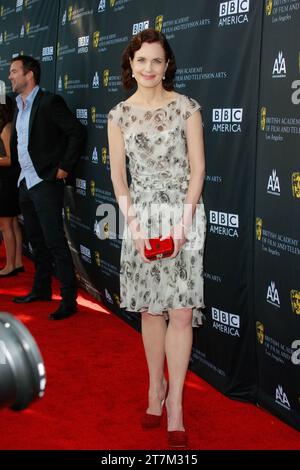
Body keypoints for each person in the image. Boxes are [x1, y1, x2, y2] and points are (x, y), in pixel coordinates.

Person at [107, 29, 206, 447]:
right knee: (151, 311)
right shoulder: (119, 115)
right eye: (141, 60)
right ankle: (155, 389)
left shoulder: (187, 109)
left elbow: (198, 169)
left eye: (156, 61)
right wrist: (132, 223)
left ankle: (178, 403)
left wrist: (183, 224)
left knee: (181, 313)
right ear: (131, 65)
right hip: (140, 219)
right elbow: (117, 175)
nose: (148, 68)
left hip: (183, 214)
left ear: (168, 66)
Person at [9, 55, 85, 320]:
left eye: (14, 71)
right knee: (36, 242)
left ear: (29, 75)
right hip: (25, 183)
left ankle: (68, 299)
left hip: (45, 182)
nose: (10, 77)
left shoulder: (50, 102)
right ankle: (41, 289)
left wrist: (64, 167)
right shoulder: (18, 106)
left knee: (54, 242)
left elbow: (76, 131)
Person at [0, 95, 23, 277]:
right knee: (13, 222)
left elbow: (11, 159)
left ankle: (10, 265)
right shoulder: (6, 127)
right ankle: (17, 262)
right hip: (7, 181)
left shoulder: (6, 129)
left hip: (6, 182)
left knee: (7, 224)